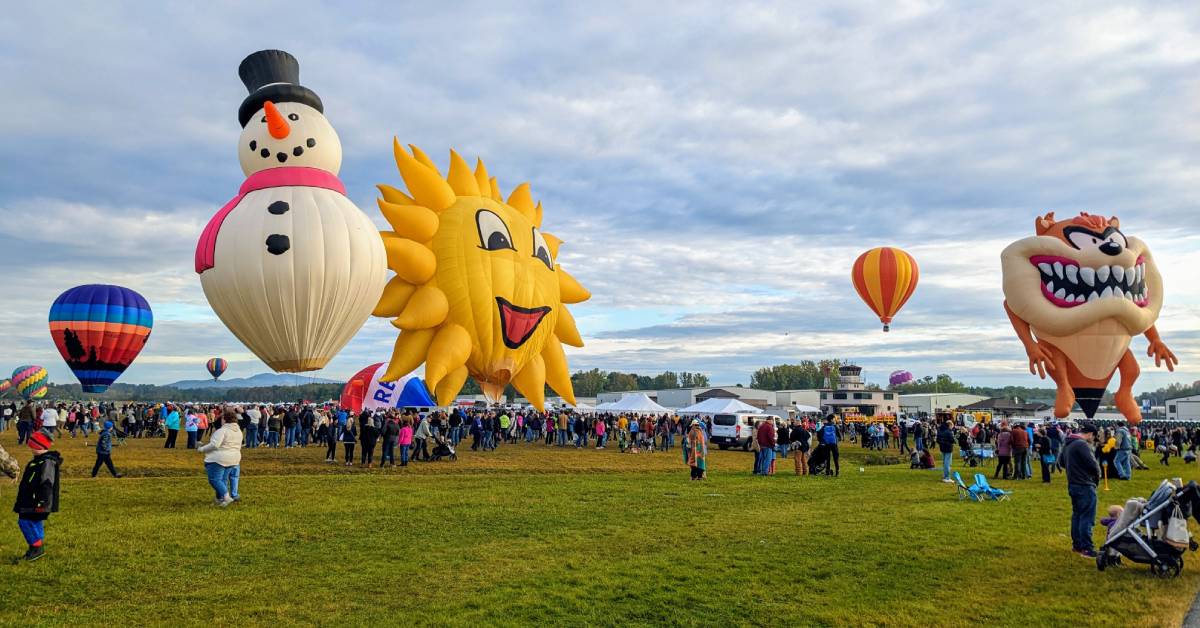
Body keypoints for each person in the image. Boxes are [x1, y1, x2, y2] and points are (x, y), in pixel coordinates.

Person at [14, 430, 62, 561]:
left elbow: (47, 483)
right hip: (30, 499)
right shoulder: (38, 461)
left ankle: (36, 547)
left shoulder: (47, 462)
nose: (30, 449)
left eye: (32, 446)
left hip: (38, 501)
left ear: (38, 446)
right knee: (35, 520)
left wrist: (42, 501)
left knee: (24, 521)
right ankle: (37, 545)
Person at [1060, 423, 1101, 558]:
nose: (1092, 441)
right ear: (1090, 434)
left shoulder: (1068, 442)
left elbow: (1060, 462)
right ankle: (1087, 548)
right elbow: (1093, 464)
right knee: (1087, 517)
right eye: (1093, 438)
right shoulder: (1082, 444)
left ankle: (1077, 545)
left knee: (1077, 515)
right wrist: (1097, 477)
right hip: (1085, 484)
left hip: (1073, 484)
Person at [198, 414, 242, 506]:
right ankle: (220, 499)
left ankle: (226, 497)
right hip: (234, 459)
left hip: (219, 459)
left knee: (214, 479)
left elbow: (214, 445)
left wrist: (202, 449)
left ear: (224, 420)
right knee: (223, 479)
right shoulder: (239, 431)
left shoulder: (222, 431)